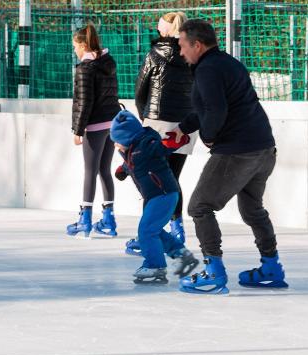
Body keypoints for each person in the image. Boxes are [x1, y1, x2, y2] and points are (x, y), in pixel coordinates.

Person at [170, 20, 288, 294]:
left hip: (238, 151)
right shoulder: (226, 63)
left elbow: (216, 110)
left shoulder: (207, 70)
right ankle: (271, 266)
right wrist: (183, 127)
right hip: (263, 147)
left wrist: (209, 135)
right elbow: (212, 107)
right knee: (252, 208)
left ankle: (214, 271)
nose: (181, 52)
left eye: (183, 46)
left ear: (197, 45)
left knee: (199, 206)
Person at [110, 110, 199, 284]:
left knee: (146, 230)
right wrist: (123, 169)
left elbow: (162, 146)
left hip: (164, 194)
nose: (116, 146)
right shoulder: (132, 150)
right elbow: (134, 163)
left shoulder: (146, 144)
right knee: (154, 230)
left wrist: (176, 141)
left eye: (117, 141)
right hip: (156, 195)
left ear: (127, 137)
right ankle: (183, 257)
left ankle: (155, 266)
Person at [133, 11, 197, 247]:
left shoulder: (154, 53)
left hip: (157, 122)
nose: (158, 29)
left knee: (152, 180)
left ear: (167, 30)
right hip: (186, 125)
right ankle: (177, 228)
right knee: (173, 178)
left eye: (160, 27)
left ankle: (147, 234)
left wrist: (145, 119)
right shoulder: (192, 55)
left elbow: (140, 91)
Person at [66, 23, 122, 238]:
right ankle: (109, 219)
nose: (74, 50)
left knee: (90, 170)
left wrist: (78, 130)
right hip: (111, 122)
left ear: (82, 45)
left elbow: (84, 101)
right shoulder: (108, 63)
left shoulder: (85, 69)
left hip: (95, 125)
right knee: (104, 170)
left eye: (75, 46)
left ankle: (85, 218)